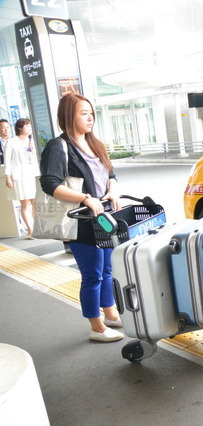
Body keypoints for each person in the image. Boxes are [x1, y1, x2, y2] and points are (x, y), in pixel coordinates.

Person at [40, 93, 124, 342]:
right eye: (83, 113)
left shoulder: (94, 143)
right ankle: (96, 327)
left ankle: (110, 314)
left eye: (91, 113)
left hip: (104, 218)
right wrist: (85, 198)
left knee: (108, 270)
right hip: (81, 222)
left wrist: (113, 189)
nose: (90, 118)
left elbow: (111, 173)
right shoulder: (59, 146)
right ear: (68, 116)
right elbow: (50, 184)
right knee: (92, 275)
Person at [4, 118, 39, 239]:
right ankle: (30, 230)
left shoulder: (31, 141)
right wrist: (7, 176)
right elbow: (7, 160)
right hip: (19, 176)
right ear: (20, 128)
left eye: (30, 126)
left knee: (35, 201)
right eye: (27, 126)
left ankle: (37, 227)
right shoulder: (12, 142)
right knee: (25, 203)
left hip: (31, 174)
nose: (29, 128)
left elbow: (34, 159)